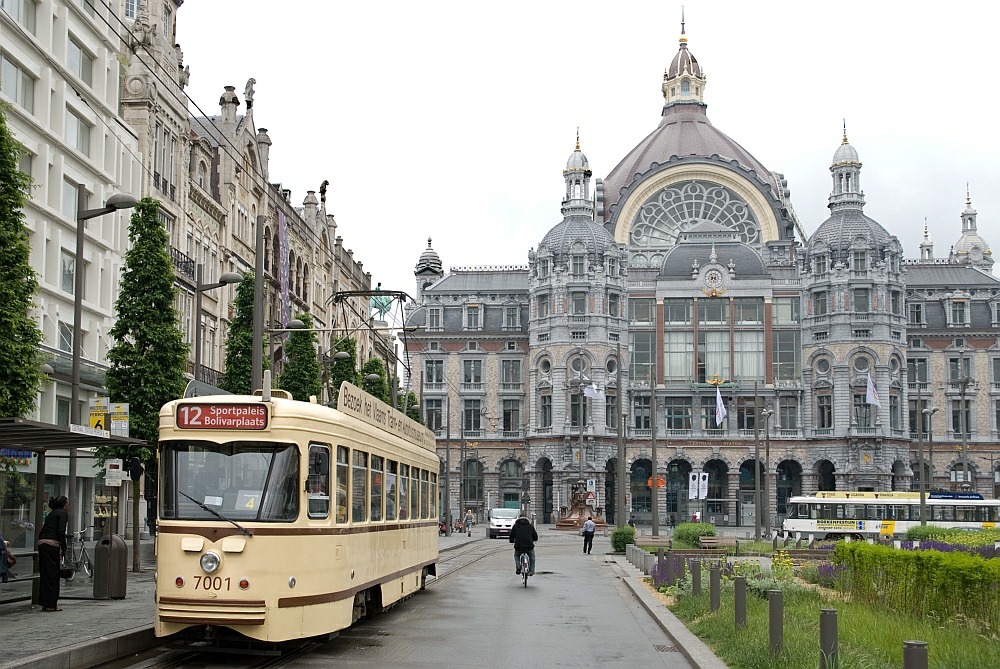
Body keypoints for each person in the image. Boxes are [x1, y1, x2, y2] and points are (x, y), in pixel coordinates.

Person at [37, 496, 69, 612]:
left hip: (42, 543)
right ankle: (51, 604)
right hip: (52, 543)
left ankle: (45, 603)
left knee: (45, 574)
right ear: (64, 505)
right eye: (68, 504)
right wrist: (64, 547)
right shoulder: (63, 513)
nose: (68, 506)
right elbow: (61, 530)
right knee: (53, 574)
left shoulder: (53, 513)